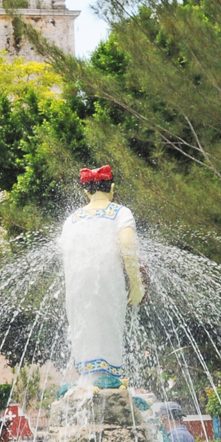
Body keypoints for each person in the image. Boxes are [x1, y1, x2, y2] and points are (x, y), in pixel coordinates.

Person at [59, 166, 144, 389]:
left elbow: (65, 254)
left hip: (77, 284)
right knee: (108, 321)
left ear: (86, 191)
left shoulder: (72, 219)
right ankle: (108, 377)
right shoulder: (120, 212)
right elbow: (127, 244)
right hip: (107, 279)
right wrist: (136, 283)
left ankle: (88, 379)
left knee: (83, 325)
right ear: (112, 188)